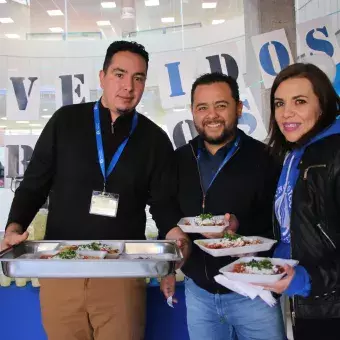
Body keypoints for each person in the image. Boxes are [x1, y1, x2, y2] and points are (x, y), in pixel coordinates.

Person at [2, 40, 190, 340]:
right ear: (102, 76)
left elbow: (163, 204)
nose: (128, 86)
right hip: (61, 270)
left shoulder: (155, 140)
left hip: (122, 277)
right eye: (119, 74)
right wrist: (14, 227)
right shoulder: (65, 122)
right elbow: (34, 184)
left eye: (138, 77)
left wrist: (176, 238)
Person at [161, 72, 286, 340]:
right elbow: (162, 206)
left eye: (221, 105)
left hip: (254, 292)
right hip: (199, 294)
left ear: (238, 108)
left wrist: (239, 229)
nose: (212, 115)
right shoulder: (178, 159)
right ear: (193, 112)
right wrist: (174, 236)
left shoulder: (266, 158)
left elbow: (281, 222)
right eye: (202, 107)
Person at [261, 63, 340, 340]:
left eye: (300, 101)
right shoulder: (296, 154)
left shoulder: (334, 154)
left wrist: (308, 280)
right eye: (279, 103)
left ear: (324, 105)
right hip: (310, 305)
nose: (286, 113)